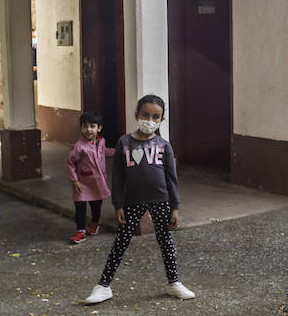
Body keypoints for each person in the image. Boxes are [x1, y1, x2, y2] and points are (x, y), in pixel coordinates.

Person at [83, 95, 193, 302]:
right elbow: (117, 177)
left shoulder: (164, 146)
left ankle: (174, 283)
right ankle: (103, 286)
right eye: (145, 114)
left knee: (166, 241)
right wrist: (118, 204)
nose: (149, 120)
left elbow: (172, 179)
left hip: (161, 201)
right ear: (136, 115)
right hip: (132, 202)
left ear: (161, 120)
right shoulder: (124, 143)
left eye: (155, 116)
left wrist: (175, 207)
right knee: (121, 242)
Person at [66, 111, 115, 244]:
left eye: (92, 126)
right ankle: (80, 231)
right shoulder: (78, 147)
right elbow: (70, 164)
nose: (88, 129)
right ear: (81, 128)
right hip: (81, 183)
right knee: (80, 207)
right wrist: (74, 180)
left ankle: (94, 223)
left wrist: (118, 152)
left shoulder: (101, 142)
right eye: (85, 126)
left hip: (97, 182)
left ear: (99, 128)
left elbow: (104, 152)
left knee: (96, 206)